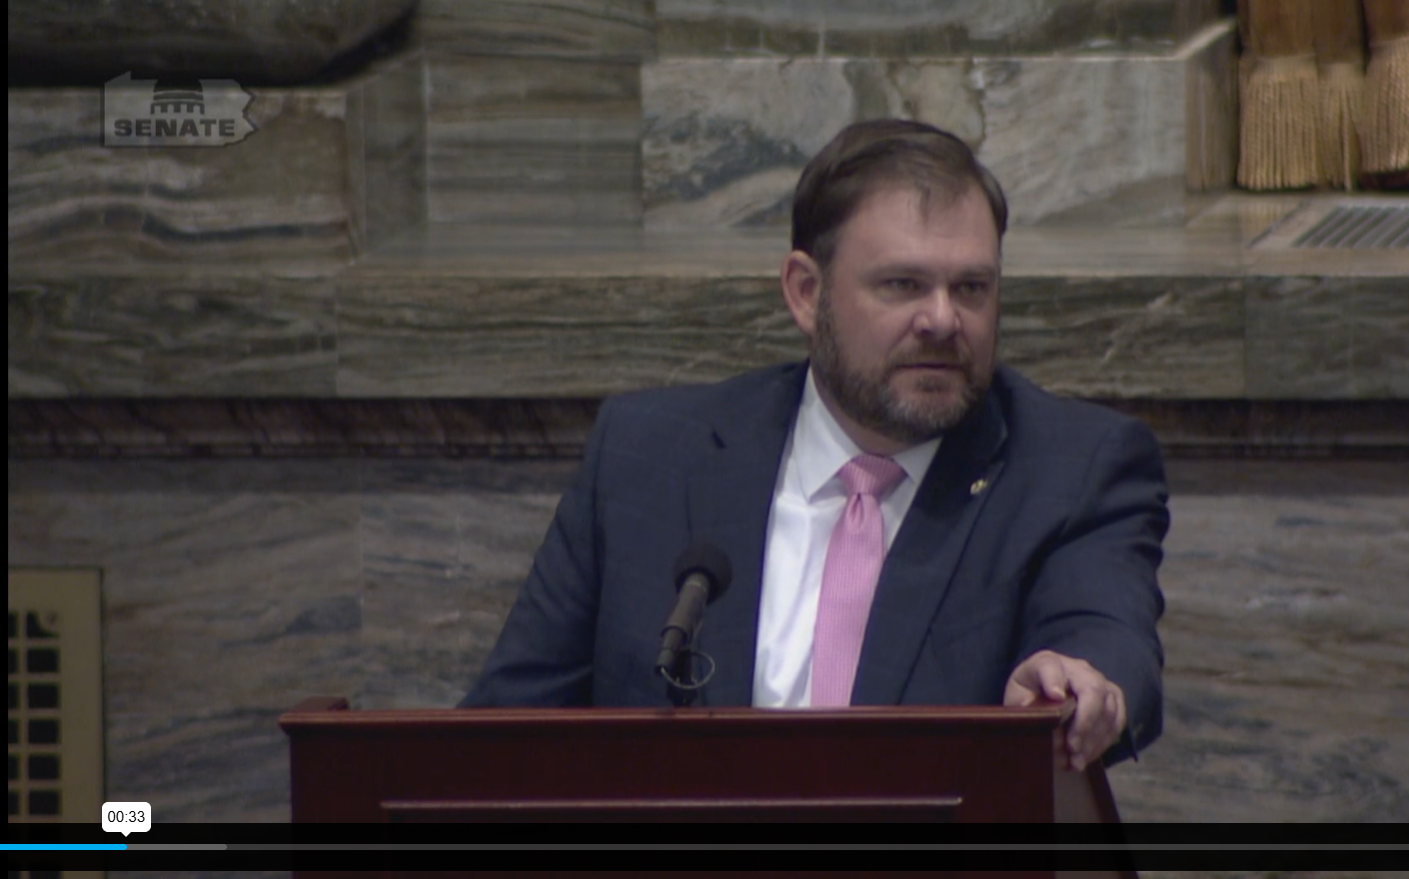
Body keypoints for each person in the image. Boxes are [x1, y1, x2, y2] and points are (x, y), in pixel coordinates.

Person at [462, 119, 1169, 769]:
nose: (943, 320)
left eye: (973, 287)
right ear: (806, 292)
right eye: (902, 284)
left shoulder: (1073, 466)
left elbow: (1104, 629)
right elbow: (499, 737)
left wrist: (1084, 682)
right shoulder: (647, 456)